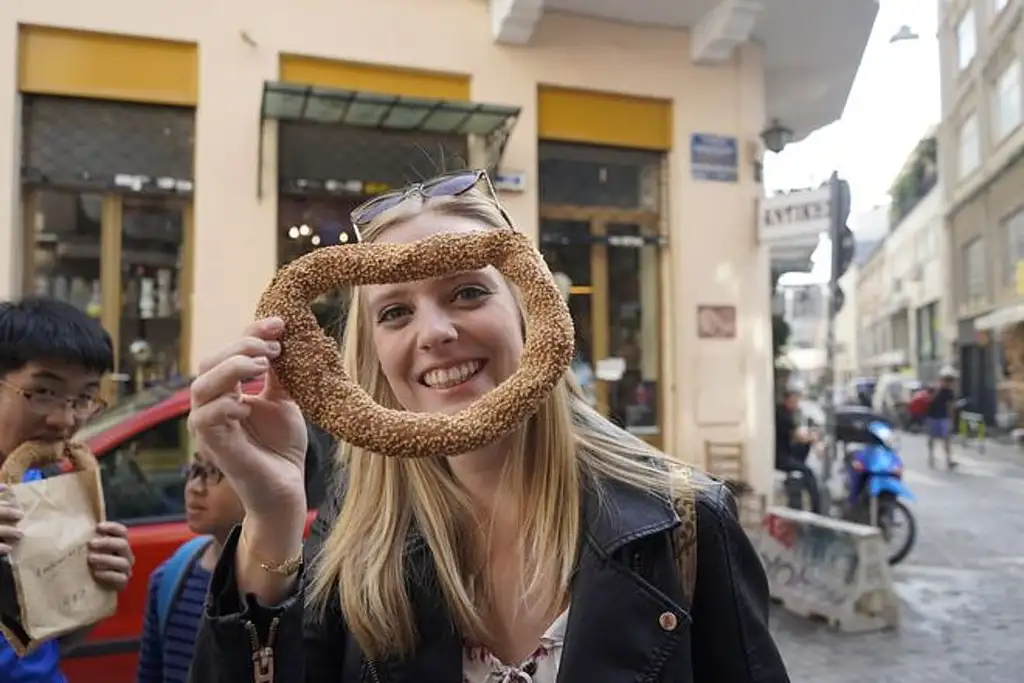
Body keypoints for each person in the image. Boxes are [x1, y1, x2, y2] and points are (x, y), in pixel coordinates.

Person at [187, 170, 791, 682]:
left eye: (469, 293)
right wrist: (270, 519)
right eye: (396, 312)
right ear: (374, 355)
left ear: (531, 313)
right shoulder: (354, 533)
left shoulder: (683, 523)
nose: (435, 333)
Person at [0, 296, 135, 682]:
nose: (65, 420)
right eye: (43, 392)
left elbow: (49, 644)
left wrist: (95, 588)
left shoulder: (38, 485)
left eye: (83, 398)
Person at [135, 450, 245, 683]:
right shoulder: (171, 577)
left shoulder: (296, 588)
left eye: (213, 472)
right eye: (194, 469)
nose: (195, 487)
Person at [774, 389, 822, 513]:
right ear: (787, 400)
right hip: (781, 458)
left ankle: (813, 506)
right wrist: (813, 438)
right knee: (808, 473)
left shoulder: (787, 413)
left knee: (804, 469)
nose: (796, 404)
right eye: (794, 401)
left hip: (785, 453)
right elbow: (797, 438)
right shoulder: (782, 415)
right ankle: (817, 509)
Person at [925, 366, 959, 470]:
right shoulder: (949, 392)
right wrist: (952, 420)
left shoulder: (933, 388)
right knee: (946, 440)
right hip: (942, 418)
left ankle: (931, 458)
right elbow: (950, 407)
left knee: (932, 438)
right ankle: (948, 460)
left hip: (931, 417)